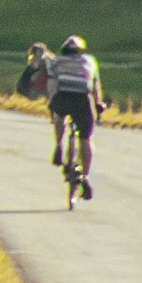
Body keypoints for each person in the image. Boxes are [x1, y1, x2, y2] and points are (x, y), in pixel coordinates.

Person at [46, 32, 104, 193]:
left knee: (58, 115)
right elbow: (95, 86)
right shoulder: (90, 61)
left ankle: (58, 144)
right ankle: (85, 176)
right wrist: (99, 104)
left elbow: (52, 85)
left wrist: (52, 103)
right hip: (81, 100)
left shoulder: (56, 61)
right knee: (86, 138)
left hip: (64, 96)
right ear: (81, 51)